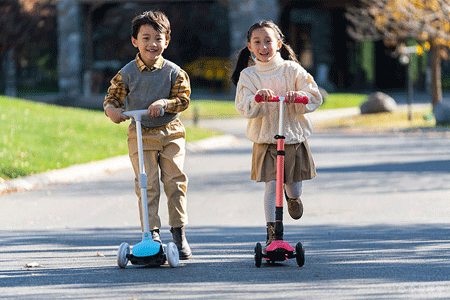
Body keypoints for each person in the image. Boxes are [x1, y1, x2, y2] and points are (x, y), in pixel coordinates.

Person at [103, 10, 191, 259]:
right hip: (141, 131)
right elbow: (112, 98)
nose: (152, 44)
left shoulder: (174, 72)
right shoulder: (127, 73)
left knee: (175, 181)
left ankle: (178, 231)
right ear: (135, 41)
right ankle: (151, 232)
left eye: (158, 38)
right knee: (146, 183)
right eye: (146, 38)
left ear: (167, 41)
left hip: (171, 131)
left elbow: (183, 99)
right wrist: (112, 110)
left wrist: (165, 102)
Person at [231, 20, 322, 250]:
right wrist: (258, 98)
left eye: (268, 41)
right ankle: (273, 233)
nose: (264, 47)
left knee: (293, 185)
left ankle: (293, 198)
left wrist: (299, 96)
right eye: (257, 42)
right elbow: (243, 106)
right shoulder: (249, 76)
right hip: (266, 140)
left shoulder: (292, 70)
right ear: (250, 47)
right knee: (271, 185)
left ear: (279, 44)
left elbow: (313, 94)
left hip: (292, 138)